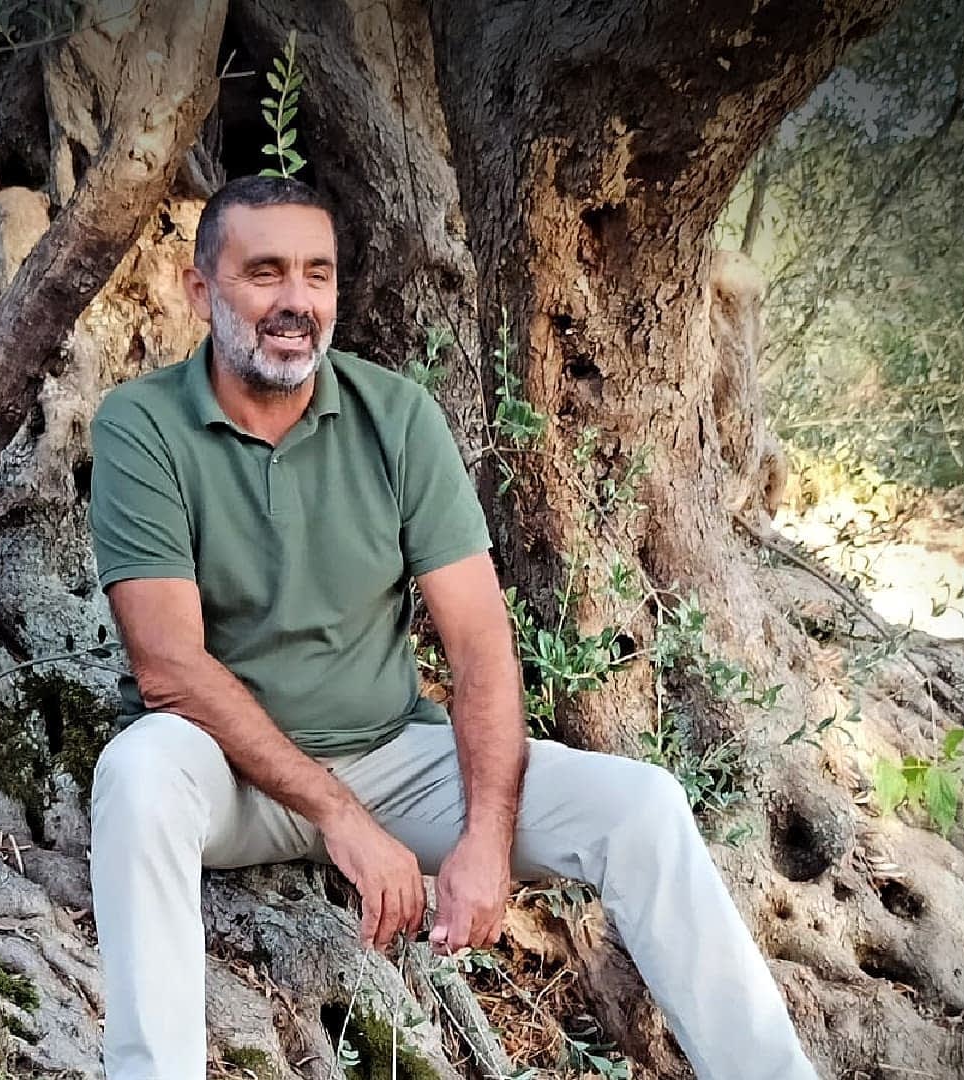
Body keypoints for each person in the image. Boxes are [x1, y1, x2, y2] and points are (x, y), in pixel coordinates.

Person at [85, 175, 820, 1080]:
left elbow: (480, 647)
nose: (295, 301)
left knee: (644, 809)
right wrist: (336, 813)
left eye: (318, 275)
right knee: (139, 769)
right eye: (264, 272)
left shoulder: (395, 416)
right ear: (202, 292)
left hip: (395, 758)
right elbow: (168, 668)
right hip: (226, 774)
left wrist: (482, 835)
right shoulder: (142, 423)